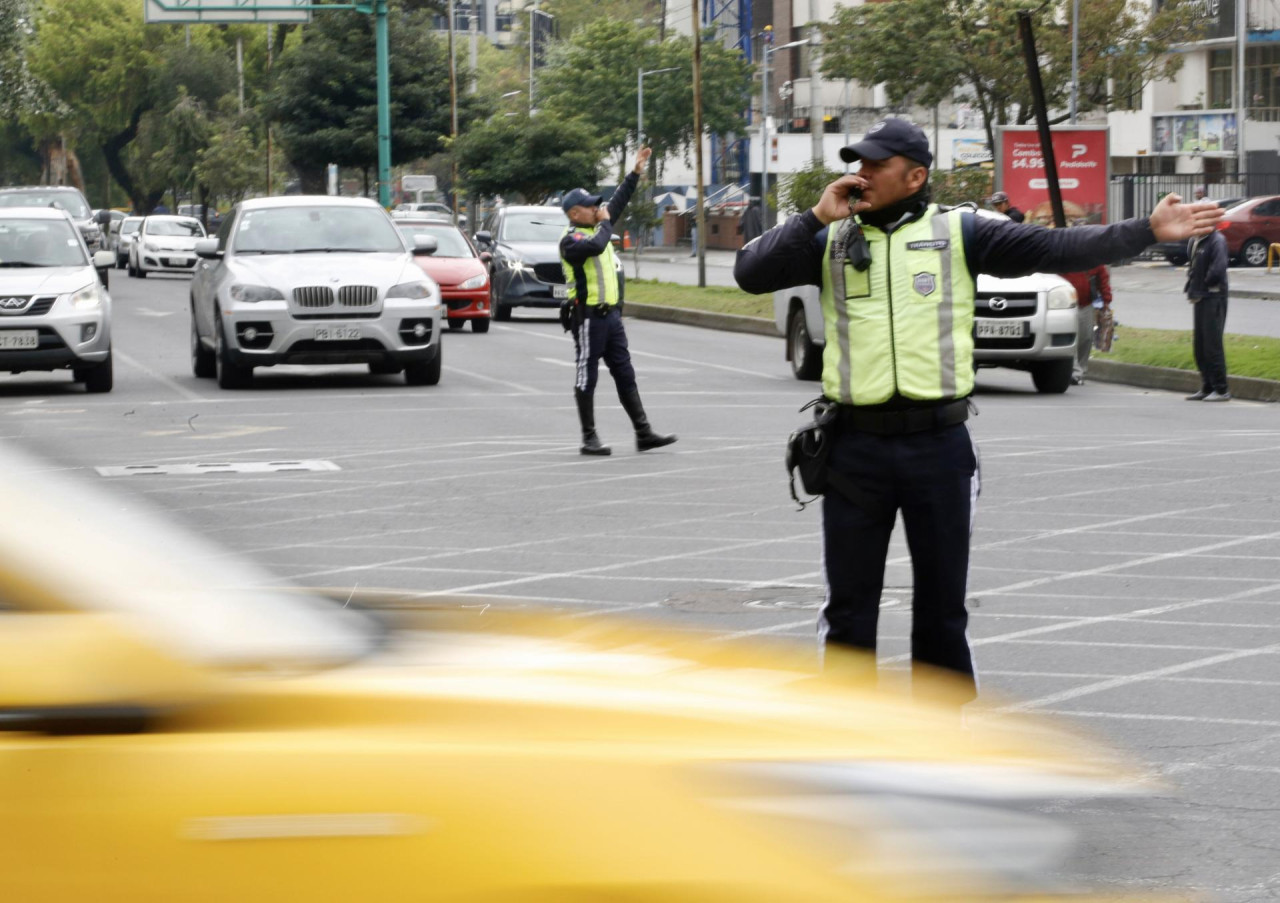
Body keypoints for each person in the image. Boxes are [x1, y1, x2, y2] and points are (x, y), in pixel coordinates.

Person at [733, 117, 1223, 703]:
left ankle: (943, 741)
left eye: (875, 164)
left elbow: (1057, 246)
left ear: (915, 176)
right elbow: (750, 273)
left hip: (937, 448)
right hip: (853, 449)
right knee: (849, 608)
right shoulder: (829, 238)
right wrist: (815, 216)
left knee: (941, 605)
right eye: (857, 163)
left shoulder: (960, 232)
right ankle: (845, 737)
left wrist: (1146, 229)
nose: (860, 173)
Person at [561, 147, 677, 456]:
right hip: (588, 318)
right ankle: (589, 437)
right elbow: (599, 245)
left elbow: (618, 202)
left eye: (596, 205)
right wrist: (606, 222)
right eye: (589, 207)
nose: (596, 209)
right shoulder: (571, 240)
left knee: (625, 373)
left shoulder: (598, 226)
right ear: (575, 214)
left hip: (611, 318)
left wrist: (635, 172)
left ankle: (643, 432)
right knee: (588, 374)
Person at [1184, 226, 1231, 401]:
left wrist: (1205, 283)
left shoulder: (1217, 240)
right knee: (1200, 346)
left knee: (1213, 344)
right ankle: (1207, 386)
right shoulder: (1195, 240)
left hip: (1213, 296)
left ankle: (1221, 389)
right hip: (1199, 296)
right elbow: (1193, 265)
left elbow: (1218, 268)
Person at [1062, 264, 1112, 386]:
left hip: (1086, 304)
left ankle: (1081, 370)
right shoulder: (1063, 254)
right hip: (1065, 304)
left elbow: (1102, 277)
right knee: (1071, 338)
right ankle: (1074, 372)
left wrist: (1106, 299)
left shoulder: (1093, 257)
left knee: (1086, 338)